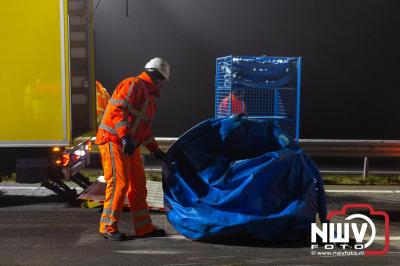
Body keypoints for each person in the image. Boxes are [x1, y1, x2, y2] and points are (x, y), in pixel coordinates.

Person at [95, 58, 170, 241]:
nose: (162, 84)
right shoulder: (133, 84)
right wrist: (125, 136)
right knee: (119, 184)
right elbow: (116, 111)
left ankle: (144, 228)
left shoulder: (149, 99)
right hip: (114, 140)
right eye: (161, 80)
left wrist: (155, 151)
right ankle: (108, 226)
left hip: (129, 144)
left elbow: (144, 131)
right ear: (155, 75)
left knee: (138, 186)